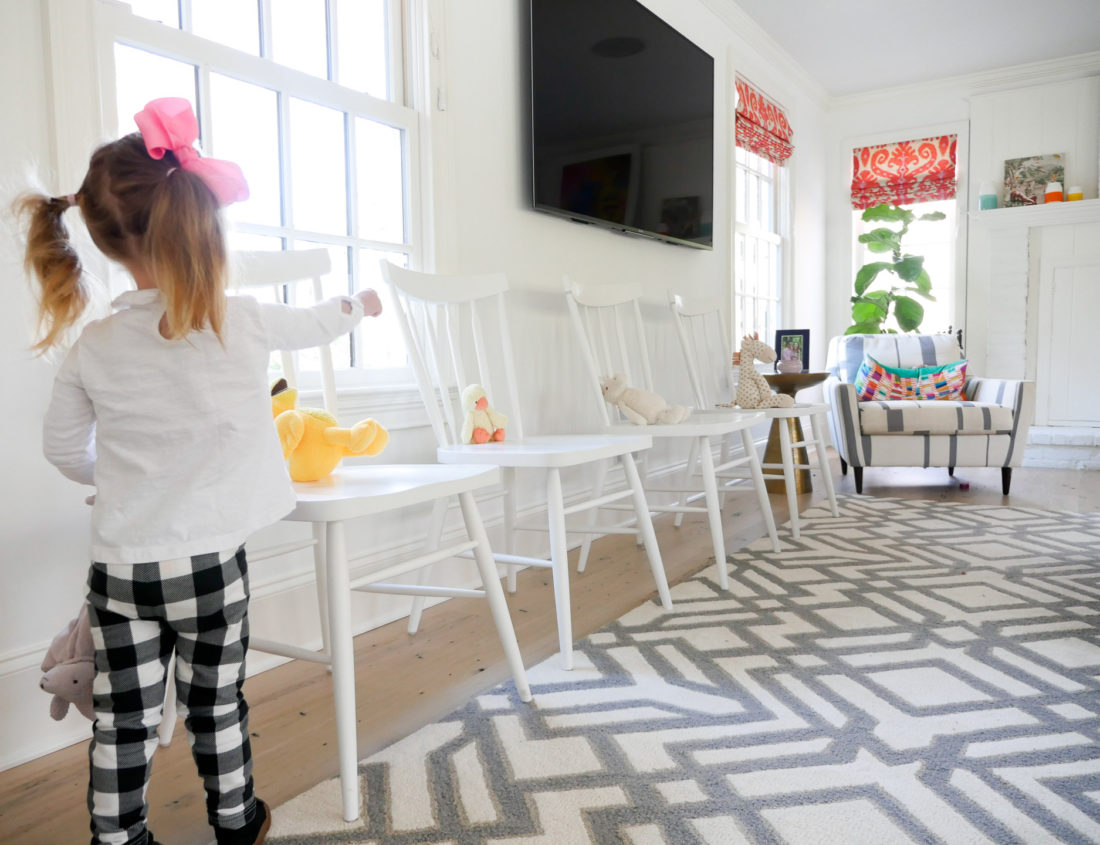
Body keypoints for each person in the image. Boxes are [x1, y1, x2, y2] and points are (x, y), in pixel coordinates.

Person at [19, 97, 382, 845]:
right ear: (198, 226)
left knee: (125, 716)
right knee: (217, 703)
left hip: (122, 574)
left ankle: (118, 836)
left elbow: (61, 450)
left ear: (104, 242)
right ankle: (235, 819)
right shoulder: (238, 318)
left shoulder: (94, 345)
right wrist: (360, 303)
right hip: (212, 568)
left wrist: (108, 479)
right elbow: (317, 322)